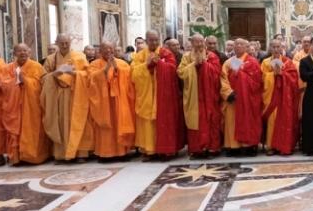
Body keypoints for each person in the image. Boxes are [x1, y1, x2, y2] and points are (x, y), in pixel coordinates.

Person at [0, 43, 49, 165]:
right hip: (13, 106)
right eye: (19, 51)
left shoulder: (37, 67)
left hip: (31, 106)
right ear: (14, 53)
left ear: (29, 53)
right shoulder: (6, 68)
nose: (22, 53)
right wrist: (16, 81)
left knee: (32, 130)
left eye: (25, 50)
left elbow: (43, 86)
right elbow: (2, 84)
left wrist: (27, 82)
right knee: (15, 131)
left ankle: (32, 157)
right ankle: (16, 157)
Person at [131, 30, 183, 160]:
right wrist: (147, 65)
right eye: (151, 40)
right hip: (147, 94)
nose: (154, 42)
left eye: (156, 40)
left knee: (165, 122)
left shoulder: (166, 53)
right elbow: (133, 73)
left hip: (163, 95)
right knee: (148, 124)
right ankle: (150, 151)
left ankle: (166, 150)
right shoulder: (140, 55)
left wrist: (159, 64)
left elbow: (172, 69)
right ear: (146, 40)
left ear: (159, 40)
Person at [41, 34, 93, 162]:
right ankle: (62, 154)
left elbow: (88, 75)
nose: (64, 45)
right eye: (62, 43)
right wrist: (54, 74)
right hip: (58, 95)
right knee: (60, 123)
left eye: (67, 43)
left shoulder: (80, 57)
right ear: (56, 42)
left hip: (76, 94)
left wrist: (74, 73)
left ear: (71, 42)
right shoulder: (50, 59)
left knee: (78, 122)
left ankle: (80, 154)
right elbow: (42, 79)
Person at [88, 41, 136, 159]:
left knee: (119, 122)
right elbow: (91, 80)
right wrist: (106, 69)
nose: (108, 51)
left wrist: (116, 69)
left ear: (114, 49)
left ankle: (122, 152)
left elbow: (129, 80)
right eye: (105, 48)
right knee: (106, 126)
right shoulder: (94, 64)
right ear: (100, 51)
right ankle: (105, 153)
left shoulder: (122, 63)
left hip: (119, 100)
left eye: (110, 48)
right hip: (104, 102)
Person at [178, 34, 223, 158]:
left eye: (201, 42)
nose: (199, 44)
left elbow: (217, 72)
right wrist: (194, 65)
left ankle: (211, 148)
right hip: (193, 95)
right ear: (191, 43)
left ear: (204, 42)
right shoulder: (186, 57)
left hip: (209, 95)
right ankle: (197, 150)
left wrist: (204, 65)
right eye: (196, 42)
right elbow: (181, 72)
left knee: (210, 120)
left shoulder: (211, 56)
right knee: (195, 122)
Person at [220, 38, 262, 155]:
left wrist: (241, 75)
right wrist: (229, 93)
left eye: (241, 44)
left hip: (248, 99)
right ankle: (233, 147)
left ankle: (249, 147)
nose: (238, 46)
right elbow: (223, 78)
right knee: (232, 122)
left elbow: (257, 81)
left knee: (249, 122)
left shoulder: (253, 62)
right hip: (233, 98)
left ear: (246, 47)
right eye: (236, 44)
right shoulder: (228, 62)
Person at [261, 39, 300, 156]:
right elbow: (261, 78)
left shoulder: (288, 62)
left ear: (282, 48)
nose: (276, 49)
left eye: (278, 47)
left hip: (285, 98)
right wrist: (273, 75)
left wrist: (283, 74)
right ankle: (271, 146)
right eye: (274, 47)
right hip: (272, 97)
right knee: (272, 121)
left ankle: (284, 145)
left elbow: (294, 79)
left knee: (285, 120)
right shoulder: (265, 62)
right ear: (270, 48)